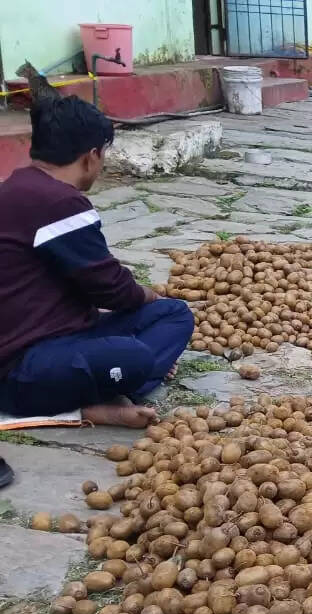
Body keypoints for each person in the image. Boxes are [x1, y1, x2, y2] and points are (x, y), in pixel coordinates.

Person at [0, 97, 194, 428]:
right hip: (21, 366)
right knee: (136, 356)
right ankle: (96, 402)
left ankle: (113, 381)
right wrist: (148, 294)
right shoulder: (60, 203)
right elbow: (112, 289)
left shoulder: (15, 187)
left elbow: (90, 277)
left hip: (60, 332)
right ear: (92, 156)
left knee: (174, 314)